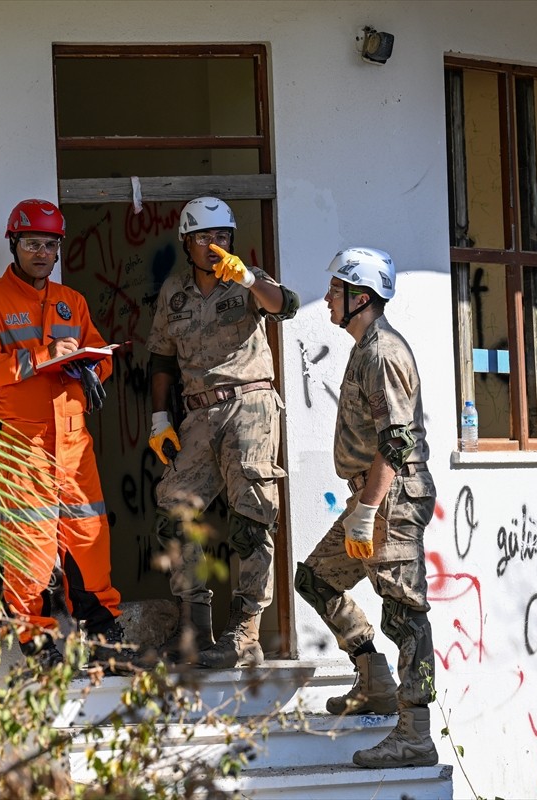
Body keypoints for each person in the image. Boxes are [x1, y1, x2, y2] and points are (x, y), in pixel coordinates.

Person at [0, 198, 131, 672]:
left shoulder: (70, 301)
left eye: (50, 244)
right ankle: (38, 644)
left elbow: (101, 353)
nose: (42, 252)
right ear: (14, 244)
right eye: (33, 243)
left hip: (73, 442)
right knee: (30, 543)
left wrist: (94, 364)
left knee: (90, 536)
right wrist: (42, 356)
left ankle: (102, 634)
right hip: (22, 444)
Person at [293, 247, 438, 768]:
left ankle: (415, 733)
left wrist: (368, 509)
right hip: (370, 495)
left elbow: (396, 442)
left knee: (405, 613)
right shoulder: (364, 346)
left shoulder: (382, 351)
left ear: (361, 298)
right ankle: (373, 677)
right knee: (316, 579)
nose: (328, 298)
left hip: (390, 497)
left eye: (336, 290)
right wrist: (362, 505)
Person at [145, 197, 298, 668]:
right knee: (174, 507)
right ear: (187, 243)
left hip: (249, 404)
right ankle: (195, 627)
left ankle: (246, 631)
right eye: (205, 238)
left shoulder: (250, 279)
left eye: (223, 236)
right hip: (198, 414)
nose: (215, 246)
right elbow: (161, 360)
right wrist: (160, 418)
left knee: (252, 516)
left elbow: (285, 305)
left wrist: (249, 279)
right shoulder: (174, 292)